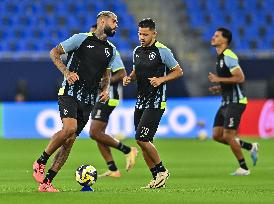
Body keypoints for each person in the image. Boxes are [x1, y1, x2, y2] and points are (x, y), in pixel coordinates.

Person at [32, 11, 121, 192]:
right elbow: (54, 53)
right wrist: (66, 73)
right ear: (102, 21)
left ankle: (47, 182)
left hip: (88, 101)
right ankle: (40, 162)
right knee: (69, 128)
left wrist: (105, 90)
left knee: (69, 141)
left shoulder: (110, 49)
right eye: (114, 21)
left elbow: (106, 72)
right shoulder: (81, 39)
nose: (117, 24)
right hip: (70, 93)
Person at [123, 18, 183, 188]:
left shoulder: (163, 51)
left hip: (155, 102)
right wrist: (130, 77)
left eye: (145, 34)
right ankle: (157, 178)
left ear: (154, 34)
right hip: (140, 101)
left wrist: (162, 79)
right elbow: (137, 69)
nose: (142, 37)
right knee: (144, 142)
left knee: (141, 138)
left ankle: (162, 170)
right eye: (140, 34)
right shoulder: (136, 50)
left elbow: (178, 71)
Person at [208, 27, 259, 176]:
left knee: (229, 135)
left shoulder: (229, 55)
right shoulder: (219, 57)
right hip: (225, 102)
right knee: (217, 135)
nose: (213, 37)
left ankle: (244, 168)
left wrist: (219, 79)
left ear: (224, 40)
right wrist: (220, 86)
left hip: (236, 102)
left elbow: (240, 77)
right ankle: (250, 146)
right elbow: (231, 81)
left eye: (216, 36)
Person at [89, 24, 138, 178]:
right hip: (98, 96)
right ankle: (113, 168)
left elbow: (122, 74)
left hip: (109, 95)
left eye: (94, 34)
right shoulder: (91, 52)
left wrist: (103, 82)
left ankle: (128, 150)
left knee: (94, 132)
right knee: (98, 134)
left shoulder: (110, 51)